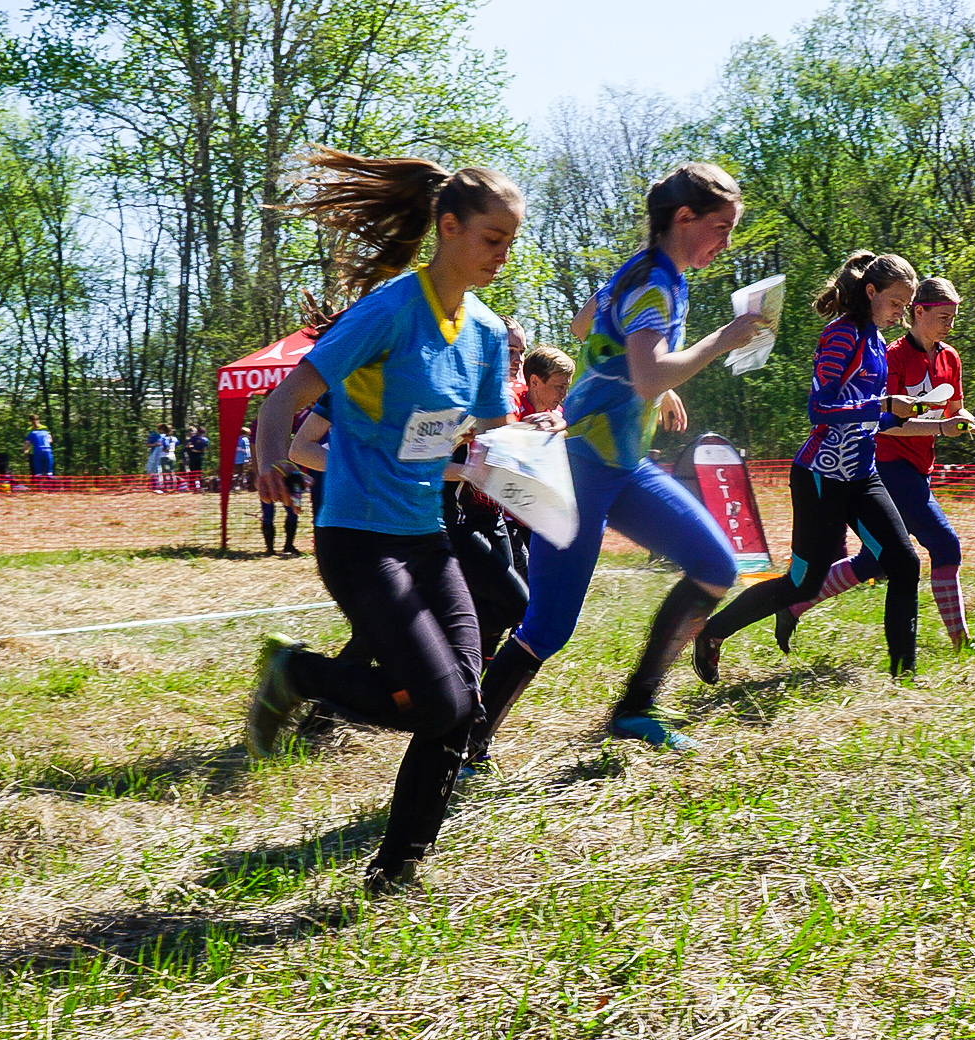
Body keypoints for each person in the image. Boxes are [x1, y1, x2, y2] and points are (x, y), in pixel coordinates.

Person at [243, 145, 531, 892]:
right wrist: (271, 457)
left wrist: (549, 455)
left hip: (429, 540)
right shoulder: (390, 310)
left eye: (510, 241)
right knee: (439, 704)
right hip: (361, 540)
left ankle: (398, 868)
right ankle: (296, 672)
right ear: (448, 227)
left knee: (461, 708)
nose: (503, 255)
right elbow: (286, 397)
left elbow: (482, 437)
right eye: (492, 239)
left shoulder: (485, 332)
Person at [471, 162, 765, 760]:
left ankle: (635, 708)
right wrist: (717, 343)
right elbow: (646, 365)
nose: (727, 242)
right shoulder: (654, 282)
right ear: (685, 218)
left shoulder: (646, 272)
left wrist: (640, 373)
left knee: (715, 565)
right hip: (580, 472)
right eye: (722, 227)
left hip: (622, 466)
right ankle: (461, 744)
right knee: (547, 628)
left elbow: (587, 324)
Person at [695, 251, 950, 684]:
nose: (899, 314)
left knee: (905, 563)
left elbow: (872, 418)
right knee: (803, 583)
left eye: (905, 306)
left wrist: (929, 419)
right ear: (870, 292)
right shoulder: (842, 335)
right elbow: (821, 408)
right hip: (821, 477)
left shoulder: (874, 340)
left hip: (863, 474)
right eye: (894, 303)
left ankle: (903, 676)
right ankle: (712, 633)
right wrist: (884, 404)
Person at [769, 277, 975, 653]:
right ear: (918, 312)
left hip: (921, 466)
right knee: (944, 544)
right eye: (943, 317)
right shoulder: (892, 355)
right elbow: (885, 424)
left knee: (875, 561)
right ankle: (960, 643)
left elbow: (954, 409)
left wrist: (968, 421)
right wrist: (939, 426)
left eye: (953, 318)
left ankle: (794, 605)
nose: (950, 325)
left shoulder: (950, 357)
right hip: (887, 464)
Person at [453, 345, 576, 776]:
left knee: (498, 612)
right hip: (461, 516)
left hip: (503, 519)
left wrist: (556, 423)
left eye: (519, 352)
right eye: (507, 350)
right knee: (513, 606)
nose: (513, 359)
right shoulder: (495, 397)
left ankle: (470, 707)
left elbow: (550, 432)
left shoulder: (525, 398)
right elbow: (477, 450)